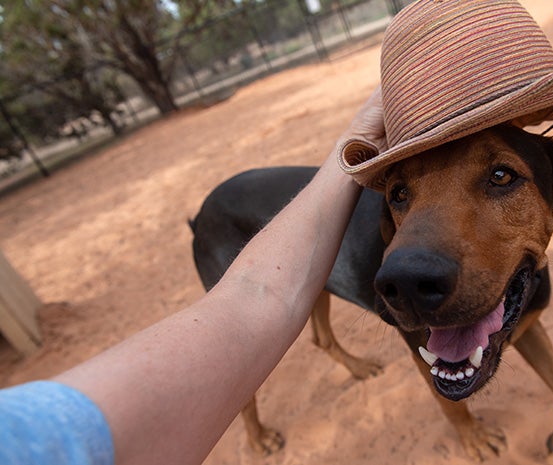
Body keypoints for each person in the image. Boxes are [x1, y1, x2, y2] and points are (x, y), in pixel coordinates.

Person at [0, 87, 386, 465]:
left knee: (297, 288)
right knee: (236, 352)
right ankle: (253, 428)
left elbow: (263, 297)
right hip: (222, 232)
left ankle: (328, 343)